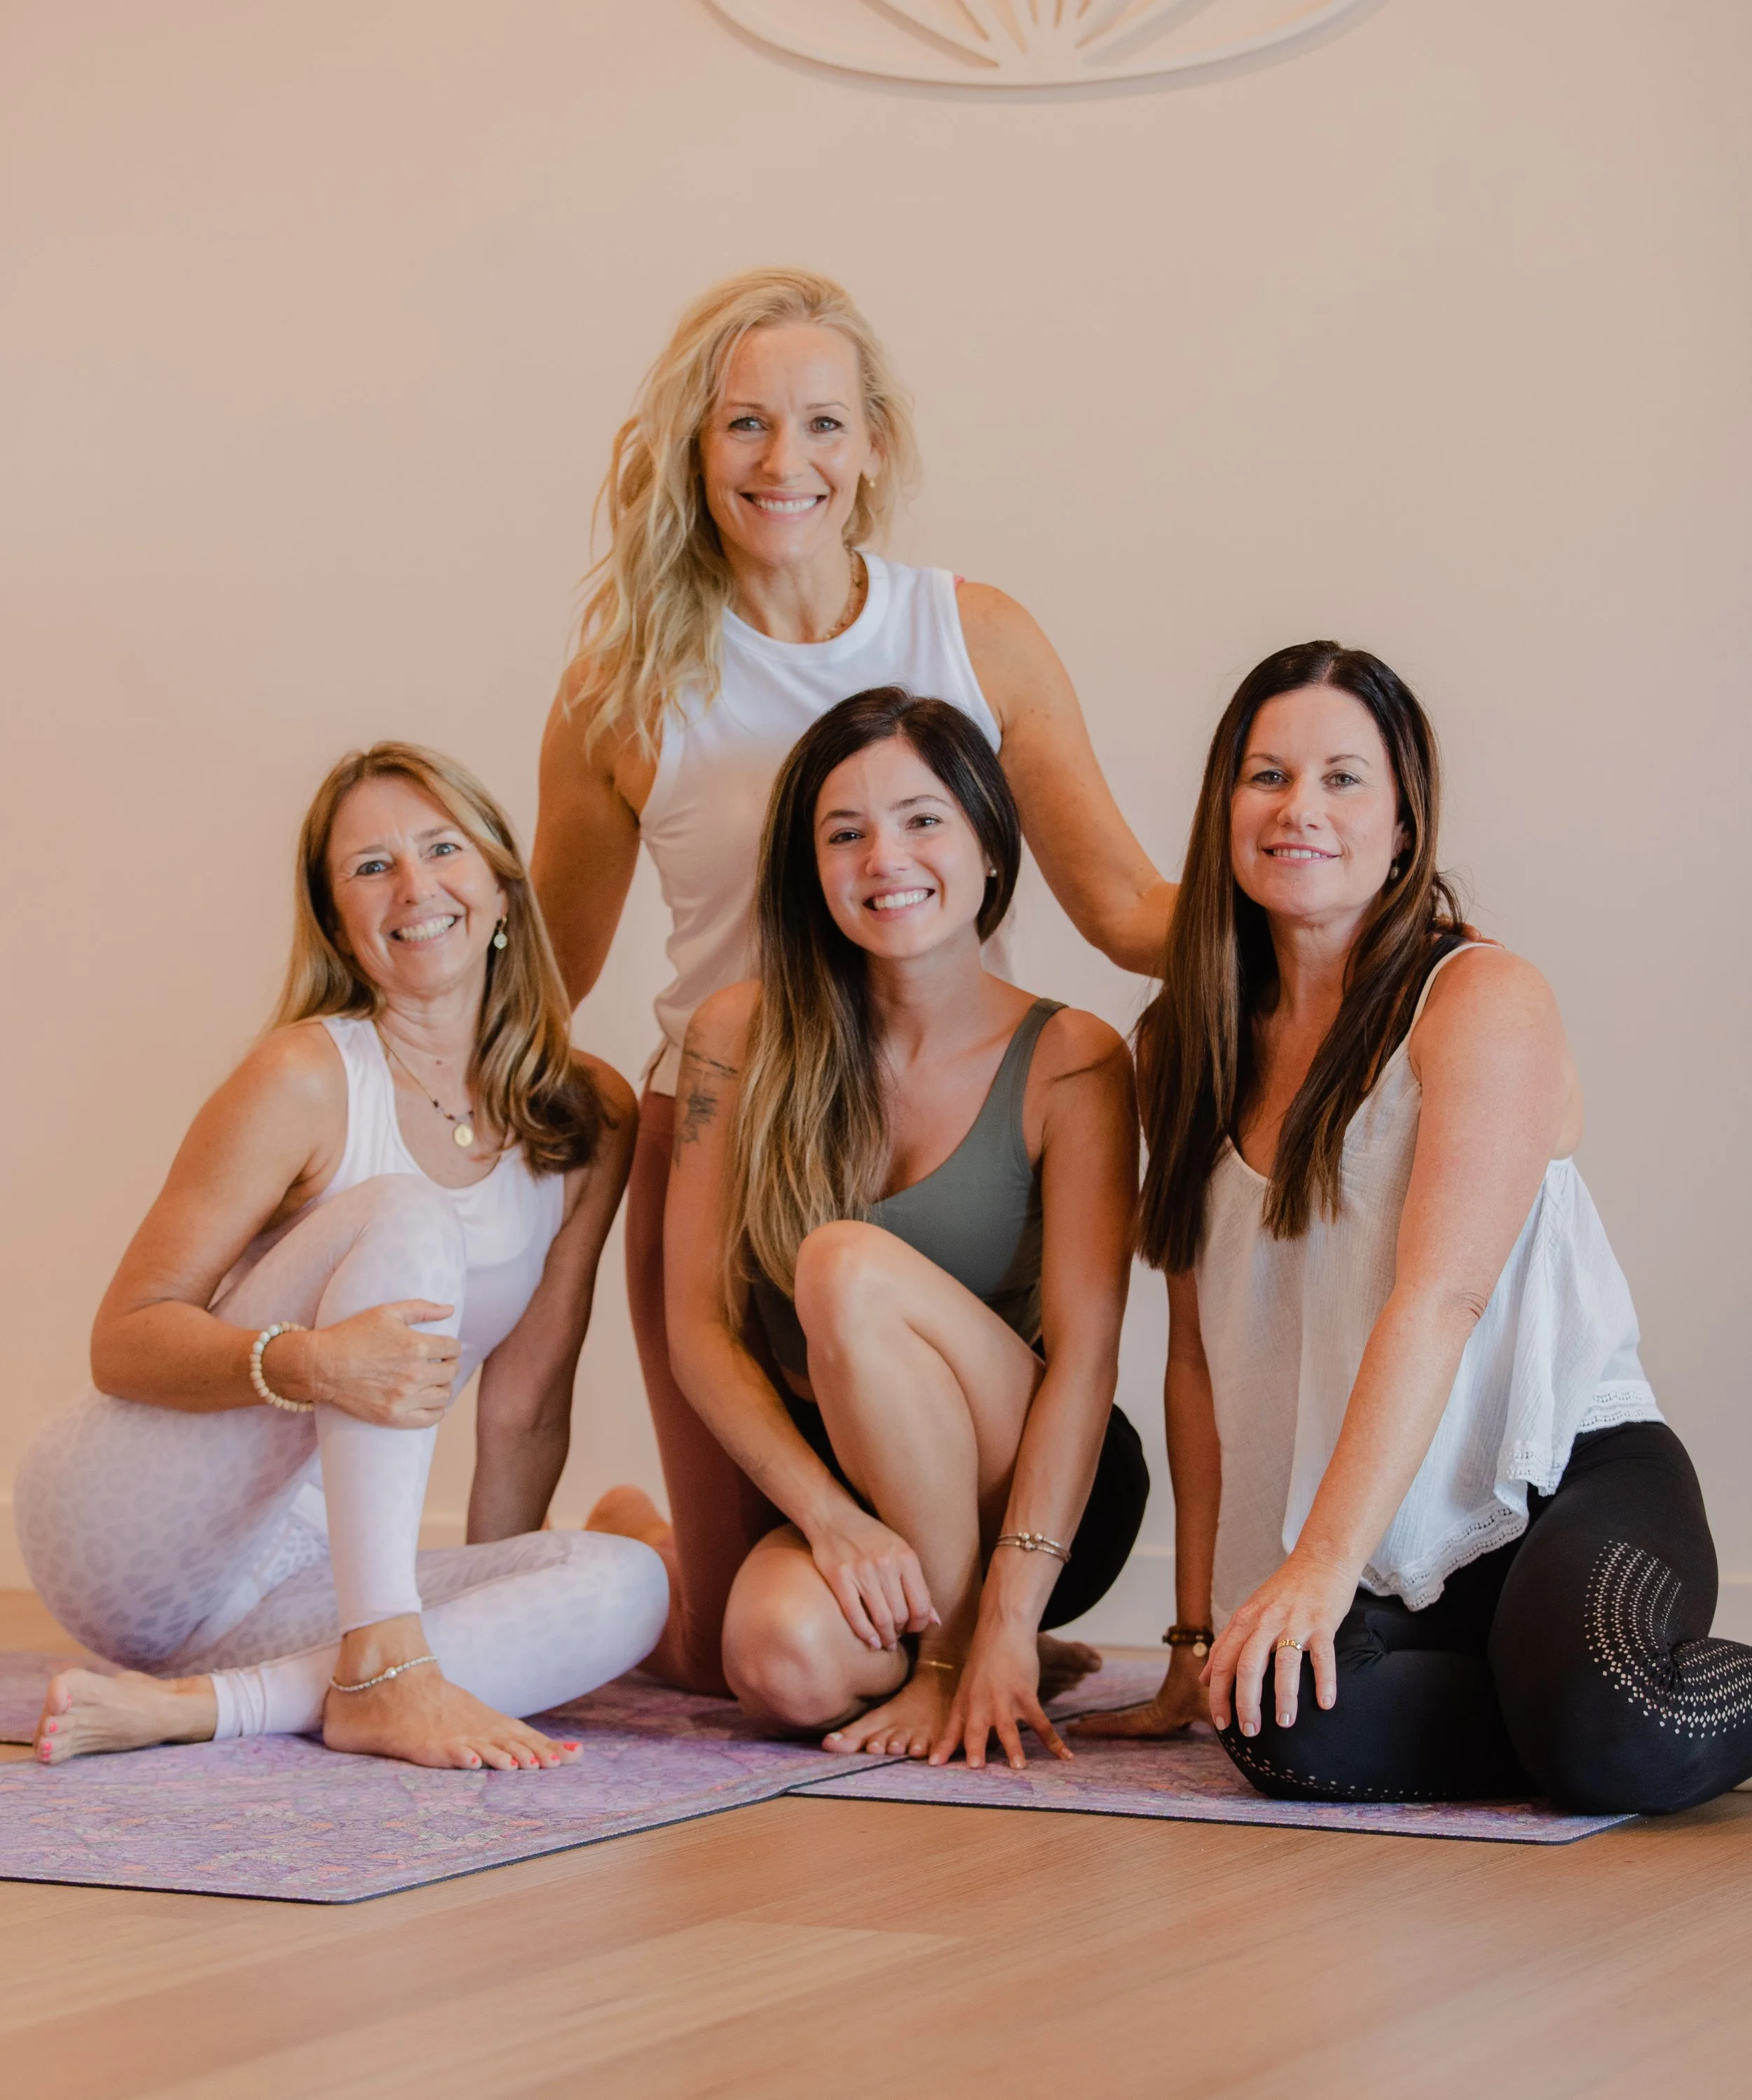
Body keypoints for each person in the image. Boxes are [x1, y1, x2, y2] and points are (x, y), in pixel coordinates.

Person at [532, 267, 1171, 1696]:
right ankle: (664, 1557)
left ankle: (975, 1645)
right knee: (713, 1660)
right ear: (693, 451)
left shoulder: (972, 633)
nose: (784, 462)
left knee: (869, 1304)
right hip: (731, 1146)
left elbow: (1128, 907)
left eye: (820, 423)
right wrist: (360, 1078)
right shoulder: (622, 682)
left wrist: (1330, 902)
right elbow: (544, 979)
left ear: (873, 443)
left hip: (942, 1153)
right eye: (744, 424)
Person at [1076, 643, 1752, 1814]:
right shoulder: (1180, 1045)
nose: (1300, 809)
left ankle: (1571, 1708)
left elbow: (1441, 1297)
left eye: (1345, 779)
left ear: (1402, 827)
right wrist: (1196, 1638)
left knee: (1616, 1733)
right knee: (1281, 1729)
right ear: (1223, 810)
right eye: (1266, 775)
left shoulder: (1482, 998)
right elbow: (1195, 1365)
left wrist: (1324, 1567)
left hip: (1563, 1477)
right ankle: (1540, 1701)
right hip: (1372, 1521)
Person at [18, 743, 668, 1771]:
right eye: (371, 868)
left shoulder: (590, 1115)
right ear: (338, 925)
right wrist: (309, 1364)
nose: (415, 887)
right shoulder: (307, 1078)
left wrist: (492, 1582)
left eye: (442, 848)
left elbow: (527, 1405)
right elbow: (124, 1341)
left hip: (309, 1583)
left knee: (630, 1584)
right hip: (134, 1526)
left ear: (502, 887)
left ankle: (218, 1706)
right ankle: (388, 1670)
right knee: (408, 1215)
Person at [663, 688, 1147, 1768]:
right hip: (865, 1489)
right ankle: (946, 1635)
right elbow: (697, 1325)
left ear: (987, 841)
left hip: (1045, 1496)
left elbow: (1085, 1359)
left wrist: (1010, 1620)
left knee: (845, 1266)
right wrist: (829, 1520)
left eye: (923, 819)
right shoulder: (736, 1039)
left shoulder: (1074, 1060)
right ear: (810, 867)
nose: (887, 857)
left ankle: (968, 1651)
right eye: (846, 833)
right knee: (778, 1663)